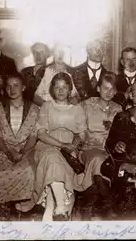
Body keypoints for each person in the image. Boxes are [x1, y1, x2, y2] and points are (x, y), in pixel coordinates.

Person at [32, 72, 89, 221]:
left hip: (69, 148)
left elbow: (82, 135)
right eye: (57, 87)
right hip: (48, 144)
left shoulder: (77, 109)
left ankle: (50, 206)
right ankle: (61, 207)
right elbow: (41, 134)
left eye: (64, 87)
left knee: (56, 165)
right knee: (52, 158)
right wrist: (62, 145)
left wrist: (73, 146)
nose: (61, 91)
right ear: (52, 90)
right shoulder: (46, 106)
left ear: (70, 89)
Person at [0, 72, 40, 216]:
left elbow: (34, 136)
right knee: (2, 174)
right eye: (9, 86)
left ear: (23, 87)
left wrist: (22, 152)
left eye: (16, 85)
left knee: (29, 172)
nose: (12, 89)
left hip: (27, 150)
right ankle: (3, 210)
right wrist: (8, 151)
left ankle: (24, 209)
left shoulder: (35, 109)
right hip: (2, 150)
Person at [74, 72, 122, 219]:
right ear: (98, 88)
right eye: (105, 88)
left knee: (103, 160)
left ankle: (90, 206)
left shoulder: (118, 108)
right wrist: (83, 141)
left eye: (112, 89)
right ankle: (109, 207)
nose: (108, 92)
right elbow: (78, 130)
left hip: (109, 150)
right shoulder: (86, 105)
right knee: (98, 159)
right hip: (89, 148)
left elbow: (121, 133)